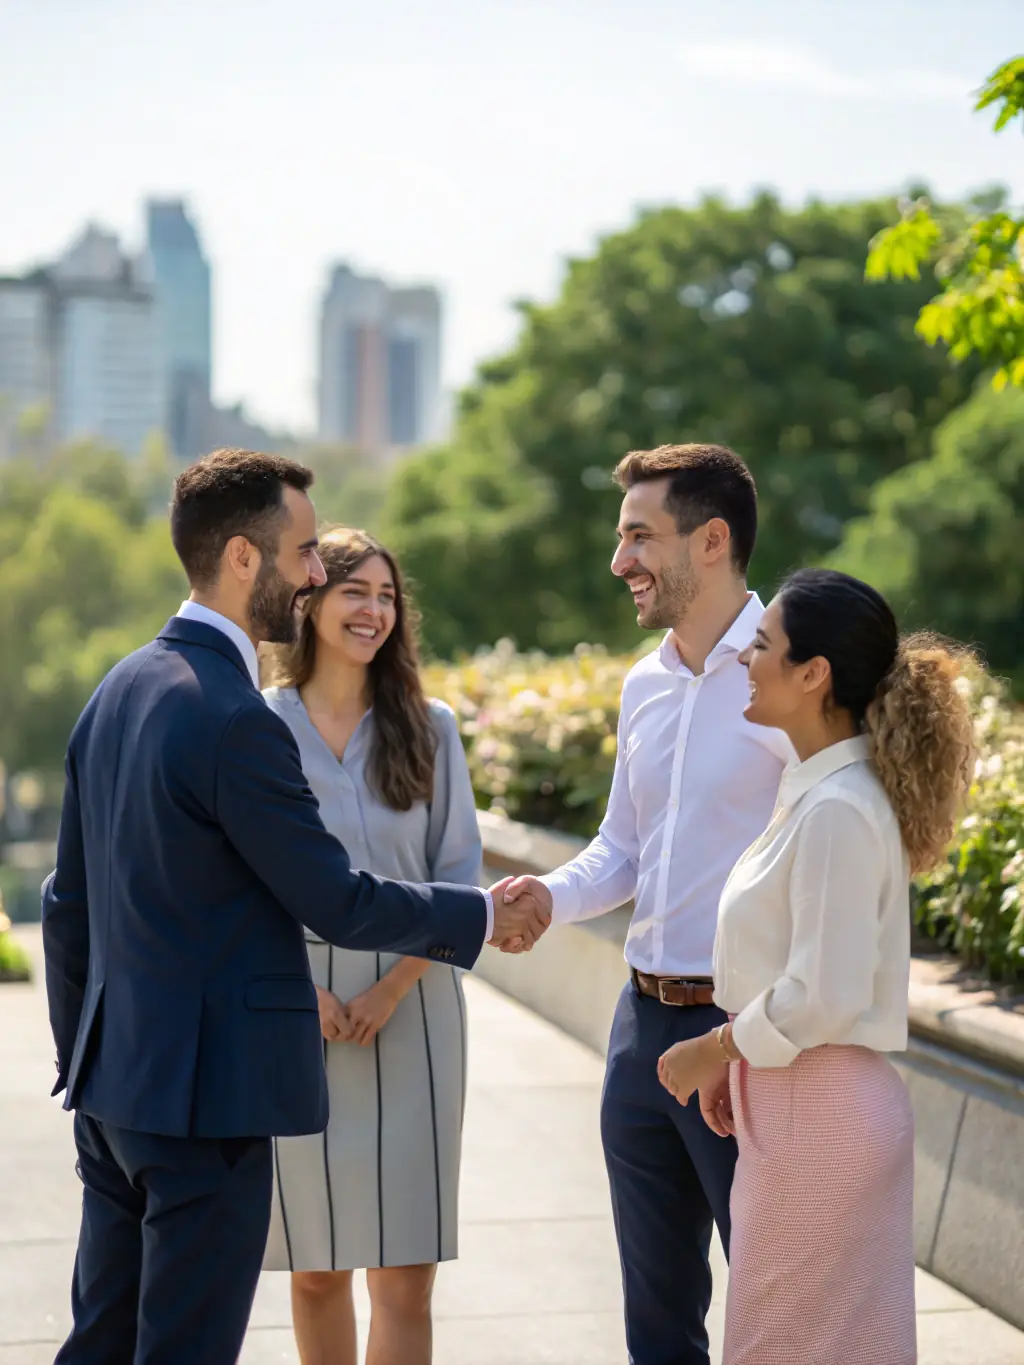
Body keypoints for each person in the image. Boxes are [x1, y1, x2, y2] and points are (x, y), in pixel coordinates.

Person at [40, 448, 547, 1365]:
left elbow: (66, 902)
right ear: (244, 558)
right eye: (306, 552)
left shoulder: (118, 687)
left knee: (100, 1344)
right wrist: (479, 915)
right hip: (207, 1106)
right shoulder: (235, 715)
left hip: (116, 1096)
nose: (318, 573)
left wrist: (84, 1059)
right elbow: (334, 898)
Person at [504, 444, 793, 1365]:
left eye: (639, 536)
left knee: (773, 1307)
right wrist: (547, 892)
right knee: (656, 1322)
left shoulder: (791, 675)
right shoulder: (643, 682)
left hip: (742, 1037)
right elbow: (623, 850)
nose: (620, 560)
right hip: (638, 1030)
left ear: (712, 541)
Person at [658, 568, 975, 1365]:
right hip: (805, 1099)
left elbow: (823, 993)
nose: (745, 659)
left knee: (786, 1345)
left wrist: (716, 1047)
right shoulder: (822, 792)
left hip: (820, 1110)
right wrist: (744, 1061)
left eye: (761, 645)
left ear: (814, 673)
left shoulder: (836, 806)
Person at [259, 528, 478, 1365]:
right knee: (315, 1268)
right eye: (357, 591)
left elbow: (458, 882)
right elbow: (243, 881)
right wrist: (301, 992)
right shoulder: (257, 725)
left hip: (415, 1009)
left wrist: (388, 991)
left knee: (403, 1274)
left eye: (388, 596)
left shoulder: (432, 727)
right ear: (308, 601)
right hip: (293, 1005)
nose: (375, 611)